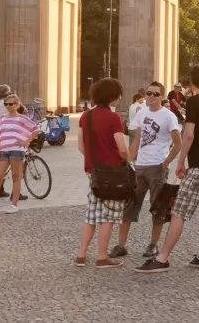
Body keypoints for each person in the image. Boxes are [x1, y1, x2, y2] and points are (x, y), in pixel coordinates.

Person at [140, 64, 199, 273]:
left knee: (179, 211)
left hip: (198, 165)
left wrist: (181, 161)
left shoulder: (193, 102)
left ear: (191, 83)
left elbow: (189, 135)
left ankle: (163, 258)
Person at [113, 86, 180, 259]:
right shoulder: (142, 114)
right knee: (129, 206)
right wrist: (128, 160)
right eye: (148, 94)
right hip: (139, 167)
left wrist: (165, 164)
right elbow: (137, 141)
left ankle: (153, 244)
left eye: (155, 94)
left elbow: (178, 144)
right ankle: (121, 244)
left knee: (157, 208)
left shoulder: (169, 116)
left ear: (162, 96)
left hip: (157, 167)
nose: (151, 97)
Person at [76, 78, 132, 268]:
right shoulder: (113, 118)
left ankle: (81, 255)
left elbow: (81, 146)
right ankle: (102, 257)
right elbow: (122, 148)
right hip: (113, 173)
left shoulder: (86, 116)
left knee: (91, 215)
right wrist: (128, 160)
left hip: (94, 171)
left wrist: (94, 159)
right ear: (112, 96)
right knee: (107, 216)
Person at [0, 95, 40, 213]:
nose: (8, 106)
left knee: (16, 176)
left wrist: (26, 141)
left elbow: (36, 129)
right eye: (6, 104)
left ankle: (14, 206)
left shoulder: (22, 118)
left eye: (11, 104)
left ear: (17, 105)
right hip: (4, 150)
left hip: (17, 150)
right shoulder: (2, 118)